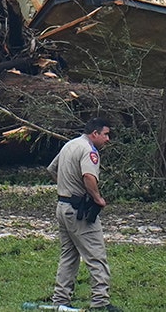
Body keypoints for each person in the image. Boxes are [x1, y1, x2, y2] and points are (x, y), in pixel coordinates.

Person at [47, 118, 121, 312]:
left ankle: (60, 300)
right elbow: (88, 177)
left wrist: (66, 186)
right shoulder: (89, 150)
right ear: (94, 134)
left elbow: (51, 169)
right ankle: (100, 302)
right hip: (79, 211)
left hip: (62, 206)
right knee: (96, 255)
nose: (108, 139)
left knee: (68, 255)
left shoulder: (69, 145)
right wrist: (97, 199)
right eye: (105, 134)